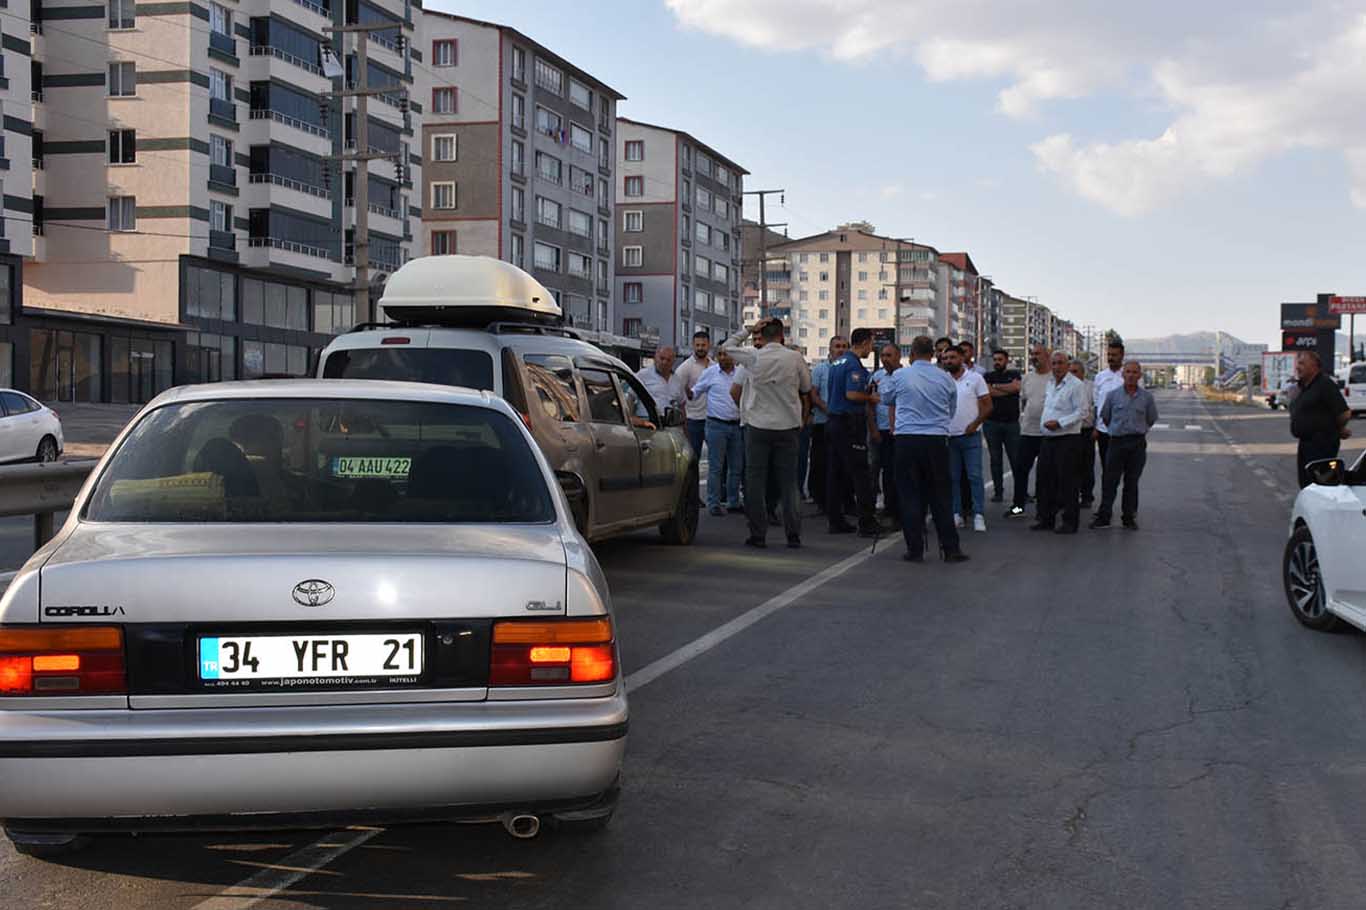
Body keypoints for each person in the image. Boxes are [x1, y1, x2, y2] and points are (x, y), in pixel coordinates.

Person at [722, 319, 812, 548]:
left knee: (755, 482)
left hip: (758, 426)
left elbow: (726, 347)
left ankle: (758, 535)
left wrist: (748, 329)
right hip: (788, 427)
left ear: (764, 335)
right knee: (789, 483)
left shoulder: (753, 356)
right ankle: (793, 535)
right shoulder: (795, 358)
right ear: (782, 336)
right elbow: (805, 388)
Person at [879, 335, 969, 563]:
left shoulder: (900, 375)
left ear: (912, 354)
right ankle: (950, 548)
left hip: (907, 439)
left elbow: (886, 398)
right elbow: (951, 408)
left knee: (909, 495)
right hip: (936, 440)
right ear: (933, 355)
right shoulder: (945, 378)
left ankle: (915, 549)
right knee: (940, 495)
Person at [1091, 360, 1158, 530]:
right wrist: (1116, 430)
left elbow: (1151, 419)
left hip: (1136, 444)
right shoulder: (1113, 396)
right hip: (1117, 442)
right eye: (1128, 372)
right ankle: (1104, 516)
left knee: (1131, 481)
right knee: (1110, 481)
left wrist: (1138, 430)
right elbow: (1105, 417)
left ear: (1139, 376)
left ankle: (1128, 517)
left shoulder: (1146, 397)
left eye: (1135, 372)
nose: (1131, 375)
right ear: (1123, 375)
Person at [826, 328, 879, 536]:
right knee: (860, 473)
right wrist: (870, 398)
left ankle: (835, 520)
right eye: (871, 344)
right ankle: (867, 522)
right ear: (864, 343)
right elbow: (851, 394)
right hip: (849, 423)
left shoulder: (837, 363)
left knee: (836, 473)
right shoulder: (853, 365)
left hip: (834, 421)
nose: (872, 348)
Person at [1032, 351, 1087, 533]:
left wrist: (1060, 423)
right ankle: (1046, 519)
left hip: (1067, 440)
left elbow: (1082, 412)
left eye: (1060, 363)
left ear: (1067, 364)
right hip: (1048, 439)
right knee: (1045, 481)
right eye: (1054, 363)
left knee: (1068, 484)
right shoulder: (1050, 383)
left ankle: (1069, 522)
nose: (1056, 367)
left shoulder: (1076, 385)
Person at [691, 349, 746, 516]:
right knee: (716, 467)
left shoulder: (741, 373)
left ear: (734, 357)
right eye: (720, 354)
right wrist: (686, 393)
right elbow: (695, 392)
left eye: (726, 354)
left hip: (737, 425)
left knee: (736, 466)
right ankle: (713, 503)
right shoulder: (710, 373)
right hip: (716, 425)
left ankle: (732, 501)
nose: (722, 358)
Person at [943, 344, 992, 531]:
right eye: (946, 358)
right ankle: (956, 514)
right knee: (953, 478)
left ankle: (978, 514)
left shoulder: (976, 378)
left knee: (974, 476)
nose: (949, 361)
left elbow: (988, 406)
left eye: (952, 358)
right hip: (949, 436)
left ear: (962, 358)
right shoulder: (943, 379)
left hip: (970, 436)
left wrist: (975, 424)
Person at [1289, 350, 1352, 488]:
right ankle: (1309, 509)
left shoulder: (1325, 384)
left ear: (1314, 365)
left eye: (1302, 363)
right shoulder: (1304, 387)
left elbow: (1345, 413)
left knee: (1322, 484)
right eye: (1297, 364)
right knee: (1307, 484)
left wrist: (1338, 428)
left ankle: (1327, 509)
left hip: (1322, 444)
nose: (1298, 367)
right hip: (1306, 444)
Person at [1010, 344, 1052, 518]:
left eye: (1038, 354)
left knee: (1045, 475)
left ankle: (1044, 510)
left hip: (1047, 434)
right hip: (1027, 432)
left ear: (1047, 356)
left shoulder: (1054, 378)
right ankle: (1018, 507)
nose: (1034, 357)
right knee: (1020, 471)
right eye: (1032, 354)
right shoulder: (1027, 378)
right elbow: (1025, 401)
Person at [807, 337, 845, 513]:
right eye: (837, 346)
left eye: (844, 346)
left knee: (841, 463)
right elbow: (813, 395)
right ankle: (820, 500)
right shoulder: (821, 369)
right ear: (830, 349)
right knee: (821, 463)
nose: (841, 350)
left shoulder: (848, 368)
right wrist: (828, 409)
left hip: (843, 423)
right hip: (823, 422)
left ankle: (840, 500)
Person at [868, 343, 903, 531]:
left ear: (898, 356)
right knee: (877, 470)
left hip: (898, 431)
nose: (885, 359)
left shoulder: (904, 376)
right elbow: (870, 404)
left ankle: (896, 510)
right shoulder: (877, 376)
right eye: (882, 355)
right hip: (880, 430)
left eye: (889, 355)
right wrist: (873, 429)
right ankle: (880, 508)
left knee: (894, 473)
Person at [983, 349, 1022, 504]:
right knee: (995, 459)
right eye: (995, 359)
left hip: (1011, 424)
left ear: (1006, 360)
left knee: (1016, 459)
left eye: (1000, 359)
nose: (997, 362)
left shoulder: (1015, 374)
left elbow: (1017, 387)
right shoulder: (987, 376)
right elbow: (988, 391)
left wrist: (996, 387)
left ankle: (1021, 493)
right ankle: (998, 492)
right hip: (992, 423)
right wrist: (1006, 388)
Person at [1092, 341, 1126, 479]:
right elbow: (1095, 404)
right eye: (1109, 354)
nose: (1111, 358)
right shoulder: (1100, 377)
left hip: (1123, 431)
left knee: (1122, 469)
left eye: (1114, 355)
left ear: (1122, 355)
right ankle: (1107, 499)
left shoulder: (1128, 375)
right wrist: (1095, 427)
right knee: (1106, 467)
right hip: (1103, 431)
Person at [676, 331, 713, 457]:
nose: (700, 348)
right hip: (693, 420)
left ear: (709, 345)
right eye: (697, 345)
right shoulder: (685, 368)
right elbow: (676, 392)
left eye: (703, 345)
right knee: (693, 458)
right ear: (693, 345)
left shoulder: (714, 366)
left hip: (712, 418)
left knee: (716, 457)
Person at [1069, 359, 1097, 507]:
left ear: (1083, 372)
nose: (1072, 374)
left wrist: (1096, 428)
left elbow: (1098, 408)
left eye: (1075, 371)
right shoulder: (1065, 386)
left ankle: (1087, 496)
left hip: (1086, 431)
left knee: (1086, 466)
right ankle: (1069, 496)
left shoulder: (1091, 387)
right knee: (1069, 466)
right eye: (1070, 371)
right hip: (1069, 432)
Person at [635, 345, 683, 416]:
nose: (664, 362)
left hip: (668, 423)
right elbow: (630, 398)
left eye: (668, 360)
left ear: (673, 362)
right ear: (655, 358)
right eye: (662, 358)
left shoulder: (677, 380)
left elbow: (681, 403)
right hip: (646, 421)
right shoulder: (643, 375)